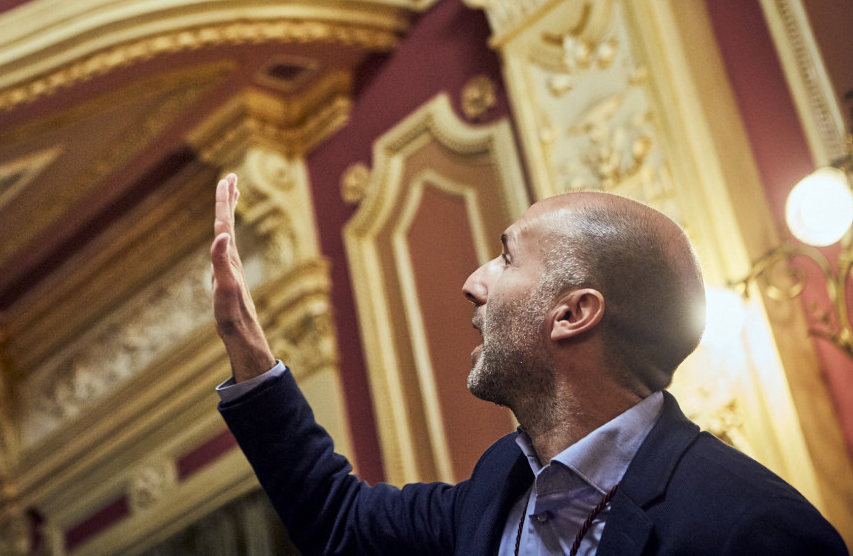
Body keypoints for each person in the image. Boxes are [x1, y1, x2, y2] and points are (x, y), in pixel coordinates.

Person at [209, 174, 849, 555]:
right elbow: (340, 521)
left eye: (507, 259)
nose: (472, 282)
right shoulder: (496, 490)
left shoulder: (750, 527)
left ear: (573, 313)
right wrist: (247, 350)